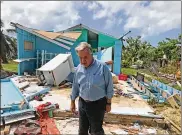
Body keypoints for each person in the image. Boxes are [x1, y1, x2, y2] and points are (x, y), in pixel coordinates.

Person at [70, 42, 114, 135]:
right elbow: (75, 86)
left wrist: (108, 103)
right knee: (82, 130)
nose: (82, 61)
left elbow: (109, 86)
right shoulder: (78, 69)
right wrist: (72, 102)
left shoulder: (102, 67)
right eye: (80, 58)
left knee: (96, 131)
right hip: (82, 104)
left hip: (98, 105)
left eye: (85, 57)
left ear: (91, 54)